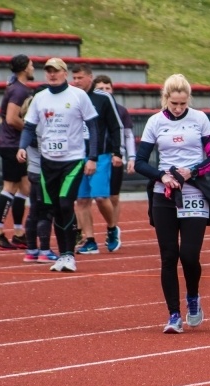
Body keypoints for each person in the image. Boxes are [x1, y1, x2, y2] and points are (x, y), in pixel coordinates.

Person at [134, 74, 210, 333]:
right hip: (164, 195)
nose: (178, 108)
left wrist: (191, 172)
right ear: (165, 99)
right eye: (174, 103)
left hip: (195, 193)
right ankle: (173, 315)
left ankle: (193, 298)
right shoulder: (155, 122)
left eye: (183, 104)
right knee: (168, 256)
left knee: (189, 255)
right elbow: (140, 162)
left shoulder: (200, 119)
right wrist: (162, 176)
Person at [17, 58, 99, 273]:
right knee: (53, 208)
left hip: (72, 160)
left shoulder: (78, 95)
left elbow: (92, 125)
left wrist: (92, 157)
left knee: (65, 203)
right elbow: (29, 126)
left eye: (56, 71)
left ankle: (69, 254)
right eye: (48, 71)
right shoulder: (39, 98)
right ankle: (63, 255)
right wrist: (22, 147)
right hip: (48, 162)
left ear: (64, 73)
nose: (52, 74)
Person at [70, 64, 123, 254]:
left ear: (90, 77)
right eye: (74, 78)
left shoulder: (103, 98)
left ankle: (111, 228)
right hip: (76, 155)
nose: (76, 81)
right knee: (82, 200)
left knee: (100, 197)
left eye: (79, 78)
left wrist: (118, 152)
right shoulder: (70, 97)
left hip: (101, 154)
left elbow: (116, 126)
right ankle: (90, 240)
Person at [93, 74, 136, 249]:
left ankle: (112, 229)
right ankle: (85, 233)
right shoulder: (89, 108)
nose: (104, 91)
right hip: (95, 157)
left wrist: (131, 157)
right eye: (100, 89)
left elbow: (128, 135)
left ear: (112, 90)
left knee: (113, 197)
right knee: (92, 198)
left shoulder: (120, 110)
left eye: (107, 88)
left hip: (115, 157)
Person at [0, 54, 34, 250]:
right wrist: (31, 131)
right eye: (31, 65)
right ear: (24, 69)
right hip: (12, 145)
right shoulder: (19, 90)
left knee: (25, 188)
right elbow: (11, 119)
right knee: (10, 188)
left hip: (12, 144)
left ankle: (19, 232)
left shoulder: (17, 88)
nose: (33, 68)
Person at [20, 86, 57, 264]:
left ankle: (31, 249)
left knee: (34, 211)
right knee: (46, 212)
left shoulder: (28, 120)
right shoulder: (42, 122)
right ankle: (44, 250)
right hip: (44, 171)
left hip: (32, 170)